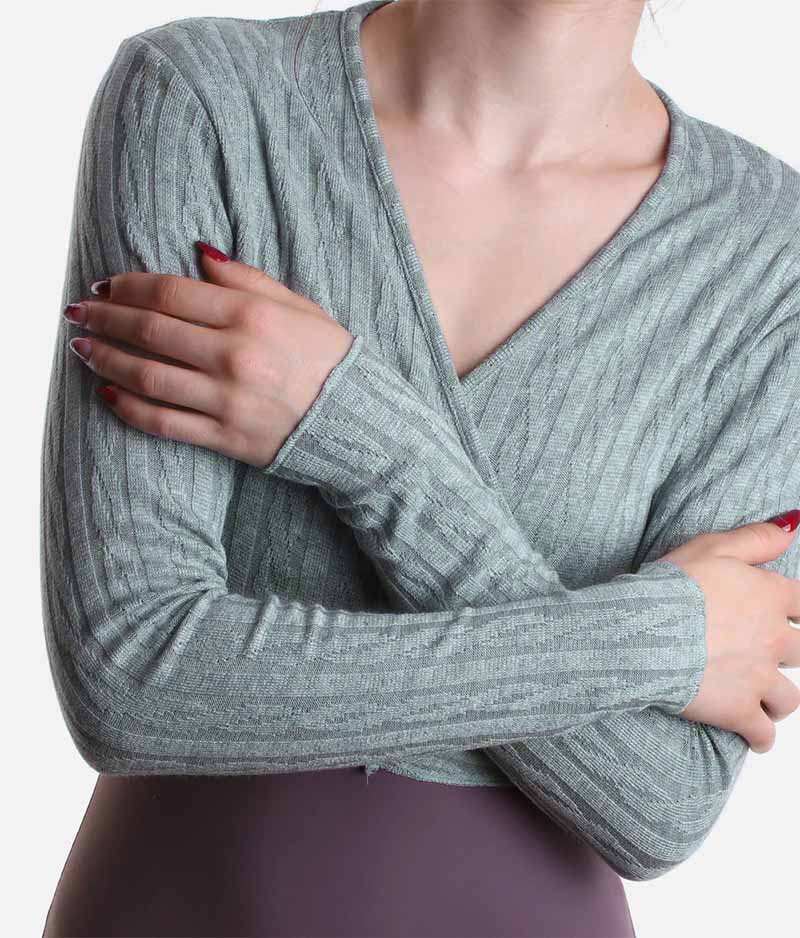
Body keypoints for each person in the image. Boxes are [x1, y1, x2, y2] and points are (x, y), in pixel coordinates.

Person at [40, 1, 800, 936]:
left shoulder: (769, 250)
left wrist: (366, 440)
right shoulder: (208, 101)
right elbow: (129, 678)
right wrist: (653, 642)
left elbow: (662, 806)